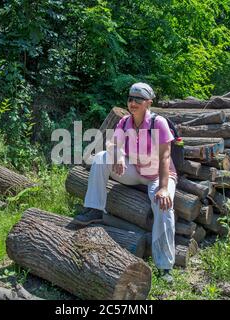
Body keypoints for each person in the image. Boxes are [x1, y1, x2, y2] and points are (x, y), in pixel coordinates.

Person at [75, 82, 177, 283]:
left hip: (157, 176)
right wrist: (119, 155)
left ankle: (165, 266)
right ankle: (94, 209)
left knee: (164, 207)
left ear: (148, 102)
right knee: (103, 157)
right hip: (134, 172)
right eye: (130, 98)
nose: (133, 103)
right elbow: (113, 143)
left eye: (138, 99)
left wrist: (164, 188)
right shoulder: (124, 122)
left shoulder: (159, 123)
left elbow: (165, 157)